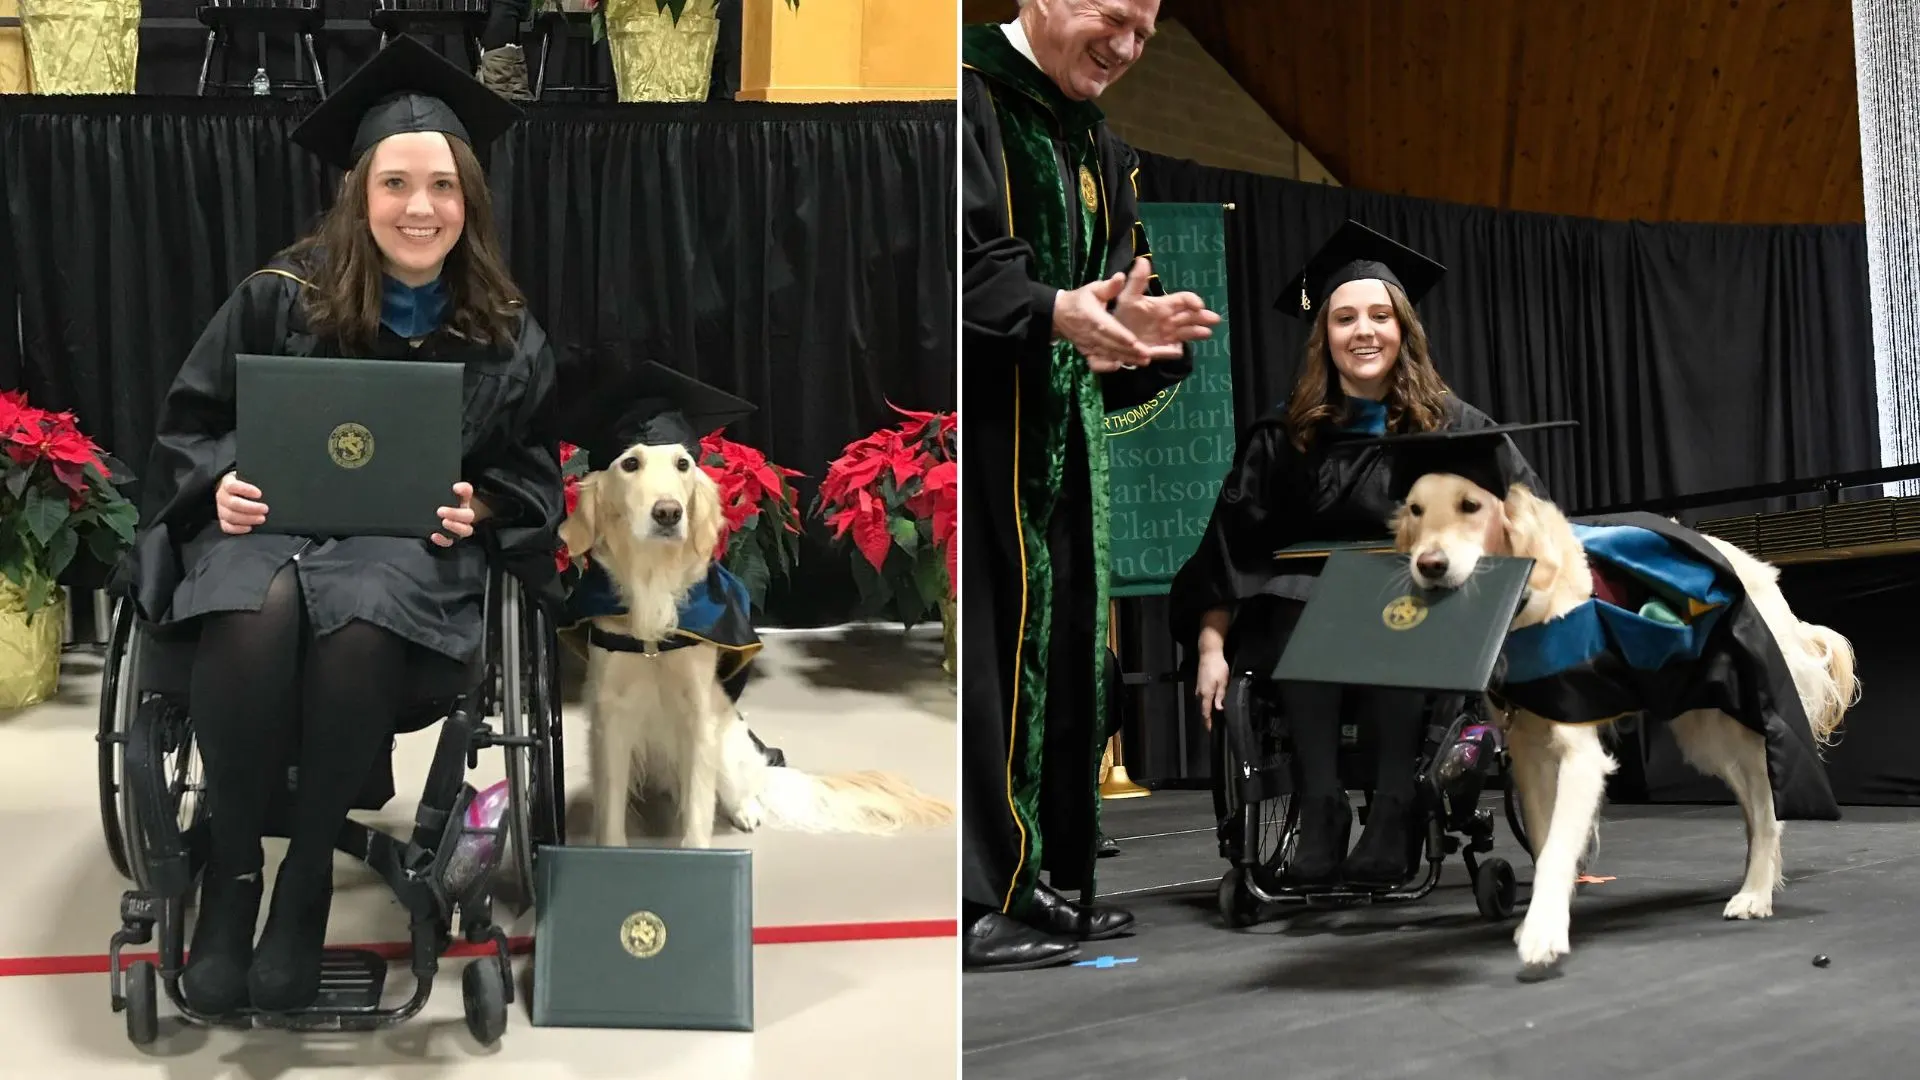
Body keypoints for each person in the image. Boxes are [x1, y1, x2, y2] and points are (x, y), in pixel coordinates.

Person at [128, 36, 563, 1015]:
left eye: (443, 187)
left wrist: (485, 502)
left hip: (404, 557)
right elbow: (188, 425)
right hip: (263, 534)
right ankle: (236, 874)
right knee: (260, 604)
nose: (421, 207)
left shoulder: (502, 328)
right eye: (397, 183)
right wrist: (219, 484)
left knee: (363, 605)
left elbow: (532, 467)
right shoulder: (282, 296)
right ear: (360, 194)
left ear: (471, 201)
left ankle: (305, 881)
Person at [961, 0, 1222, 974]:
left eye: (1147, 31)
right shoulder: (966, 95)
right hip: (981, 441)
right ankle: (973, 892)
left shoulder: (1102, 147)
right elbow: (947, 267)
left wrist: (1138, 332)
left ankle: (1046, 880)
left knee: (1068, 650)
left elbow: (1106, 297)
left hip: (1063, 446)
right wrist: (1049, 310)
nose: (1127, 46)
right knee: (994, 656)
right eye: (1112, 17)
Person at [1170, 220, 1545, 889]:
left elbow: (1529, 515)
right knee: (1301, 606)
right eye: (1345, 318)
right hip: (1300, 615)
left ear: (1404, 330)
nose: (1363, 331)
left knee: (1387, 605)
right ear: (1326, 336)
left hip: (1417, 611)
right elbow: (1229, 545)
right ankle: (1321, 810)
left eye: (1380, 316)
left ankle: (1396, 805)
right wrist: (1209, 648)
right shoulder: (1285, 435)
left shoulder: (1452, 428)